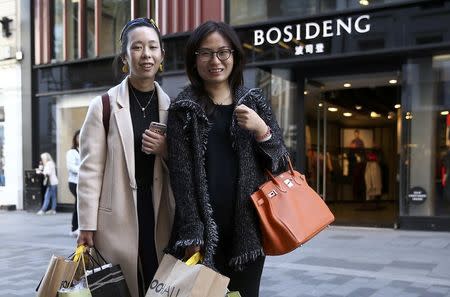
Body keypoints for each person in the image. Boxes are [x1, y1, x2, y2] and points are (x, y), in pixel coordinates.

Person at [166, 21, 288, 297]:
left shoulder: (254, 101)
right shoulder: (183, 109)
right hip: (202, 234)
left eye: (223, 52)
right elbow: (181, 177)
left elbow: (280, 162)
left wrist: (262, 130)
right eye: (205, 53)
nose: (215, 60)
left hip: (247, 230)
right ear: (194, 59)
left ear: (234, 55)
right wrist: (192, 232)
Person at [76, 18, 174, 297]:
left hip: (159, 212)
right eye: (138, 47)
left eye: (153, 47)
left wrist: (165, 150)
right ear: (125, 57)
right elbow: (90, 170)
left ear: (162, 56)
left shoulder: (173, 108)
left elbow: (183, 165)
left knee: (158, 284)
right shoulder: (103, 106)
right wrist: (87, 225)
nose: (146, 55)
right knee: (120, 287)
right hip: (116, 216)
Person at [66, 130, 80, 237]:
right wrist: (84, 169)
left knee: (80, 204)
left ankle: (77, 227)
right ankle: (74, 227)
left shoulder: (86, 150)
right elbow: (71, 167)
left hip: (83, 182)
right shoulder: (71, 152)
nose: (80, 139)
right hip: (74, 182)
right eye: (78, 137)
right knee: (78, 203)